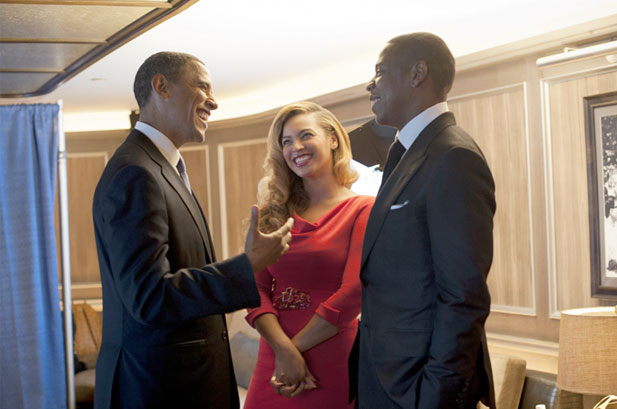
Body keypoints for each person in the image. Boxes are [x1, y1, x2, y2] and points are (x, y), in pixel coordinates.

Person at [92, 51, 293, 409]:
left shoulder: (159, 168)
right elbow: (150, 297)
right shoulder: (135, 173)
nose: (213, 103)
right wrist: (247, 265)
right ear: (161, 87)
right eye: (203, 87)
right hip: (158, 389)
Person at [351, 32, 497, 409]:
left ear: (418, 73)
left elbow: (463, 296)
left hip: (419, 389)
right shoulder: (409, 153)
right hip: (387, 377)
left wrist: (435, 395)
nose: (370, 84)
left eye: (380, 72)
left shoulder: (453, 157)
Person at [243, 101, 375, 409]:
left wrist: (292, 352)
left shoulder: (364, 208)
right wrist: (281, 349)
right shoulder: (271, 214)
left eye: (305, 135)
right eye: (286, 141)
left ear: (332, 139)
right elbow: (253, 288)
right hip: (272, 355)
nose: (295, 147)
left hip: (330, 354)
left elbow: (354, 291)